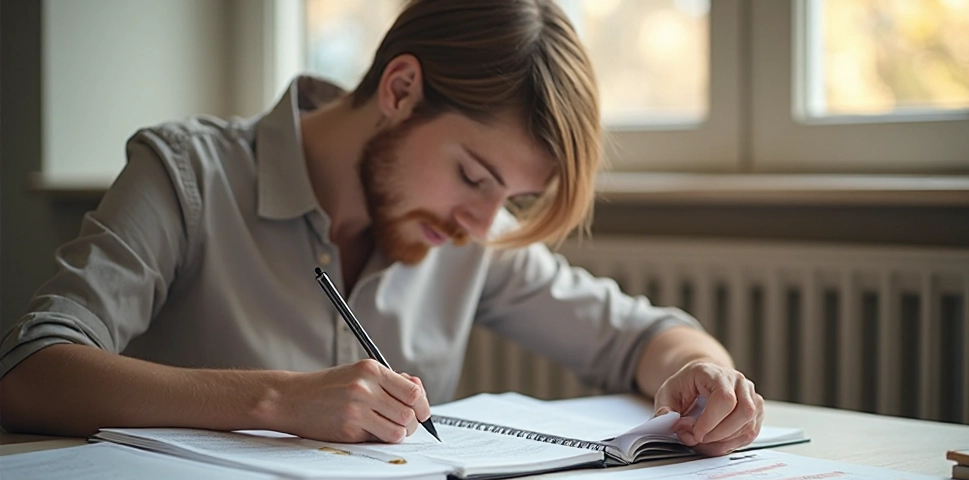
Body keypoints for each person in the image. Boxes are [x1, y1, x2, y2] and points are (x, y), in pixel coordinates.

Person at [0, 0, 762, 456]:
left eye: (511, 197)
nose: (481, 221)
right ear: (400, 89)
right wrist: (276, 401)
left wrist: (704, 374)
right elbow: (29, 372)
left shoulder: (467, 234)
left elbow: (640, 336)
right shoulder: (188, 174)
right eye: (474, 175)